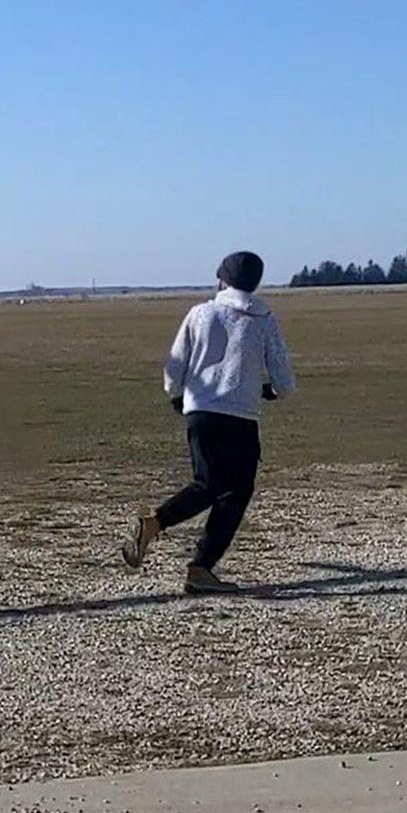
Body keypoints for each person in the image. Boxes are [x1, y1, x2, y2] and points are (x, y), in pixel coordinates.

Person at [122, 251, 296, 594]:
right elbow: (283, 377)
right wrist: (273, 391)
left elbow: (175, 363)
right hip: (241, 415)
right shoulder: (263, 318)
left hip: (199, 410)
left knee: (211, 484)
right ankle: (179, 547)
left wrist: (176, 395)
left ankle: (185, 554)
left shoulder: (199, 313)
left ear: (222, 279)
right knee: (232, 488)